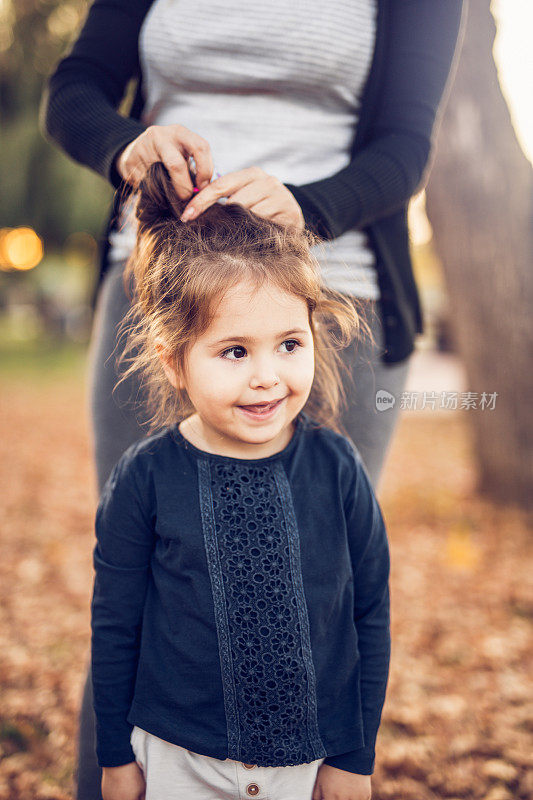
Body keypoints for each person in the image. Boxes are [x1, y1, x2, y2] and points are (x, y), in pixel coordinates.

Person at [41, 2, 464, 796]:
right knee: (140, 585)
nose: (264, 377)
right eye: (245, 360)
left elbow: (406, 149)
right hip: (168, 293)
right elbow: (73, 89)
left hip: (334, 293)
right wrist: (127, 145)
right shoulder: (169, 355)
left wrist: (309, 206)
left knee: (318, 587)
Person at [91, 162, 390, 800]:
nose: (267, 376)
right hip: (176, 761)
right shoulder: (145, 478)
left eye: (289, 343)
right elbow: (116, 626)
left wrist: (355, 759)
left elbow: (369, 615)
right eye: (234, 351)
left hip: (306, 767)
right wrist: (116, 757)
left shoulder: (337, 469)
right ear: (174, 361)